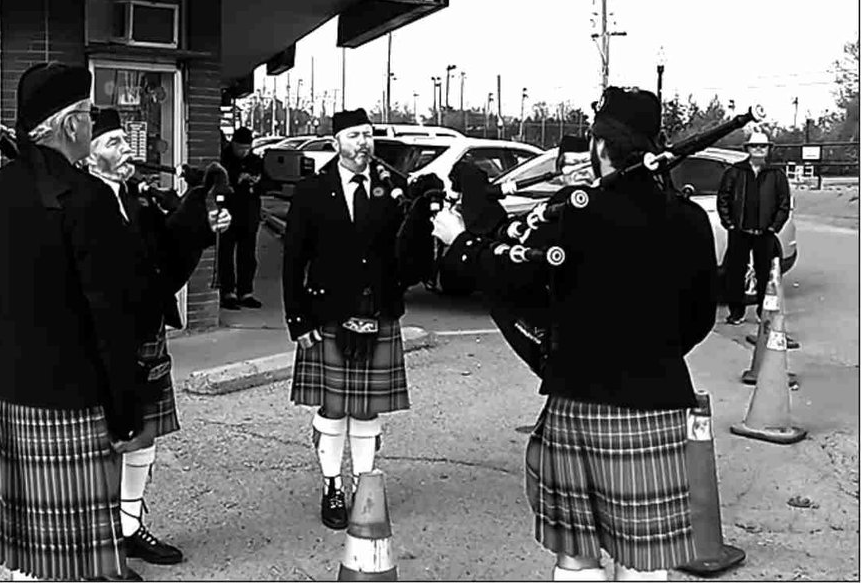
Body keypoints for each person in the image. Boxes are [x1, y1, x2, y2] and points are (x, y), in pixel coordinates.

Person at [432, 87, 718, 581]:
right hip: (659, 398)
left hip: (581, 402)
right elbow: (700, 318)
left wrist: (459, 241)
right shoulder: (690, 219)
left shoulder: (576, 213)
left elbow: (512, 278)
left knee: (578, 555)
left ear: (601, 147)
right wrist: (651, 352)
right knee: (645, 558)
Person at [0, 62, 150, 582]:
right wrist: (124, 409)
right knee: (66, 558)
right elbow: (108, 313)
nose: (93, 126)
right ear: (71, 126)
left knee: (31, 549)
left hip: (9, 382)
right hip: (71, 391)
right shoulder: (89, 197)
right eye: (89, 117)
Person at [85, 108, 231, 567]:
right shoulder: (81, 202)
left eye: (123, 140)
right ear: (86, 156)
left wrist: (204, 226)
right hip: (102, 338)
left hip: (143, 330)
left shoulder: (133, 196)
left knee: (142, 438)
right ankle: (99, 541)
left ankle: (128, 529)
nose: (125, 148)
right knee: (100, 444)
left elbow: (165, 252)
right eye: (112, 143)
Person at [282, 108, 412, 530]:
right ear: (335, 141)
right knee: (334, 406)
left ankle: (364, 486)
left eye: (368, 136)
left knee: (367, 411)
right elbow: (293, 259)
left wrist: (418, 210)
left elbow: (400, 254)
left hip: (376, 311)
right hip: (328, 312)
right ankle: (332, 485)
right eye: (355, 135)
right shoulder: (312, 191)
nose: (363, 144)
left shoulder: (389, 192)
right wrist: (298, 319)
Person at [716, 130, 792, 325]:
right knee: (735, 273)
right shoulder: (735, 171)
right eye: (754, 146)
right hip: (739, 231)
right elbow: (723, 198)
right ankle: (736, 312)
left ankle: (762, 312)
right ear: (748, 148)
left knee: (764, 273)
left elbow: (784, 203)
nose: (758, 149)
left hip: (765, 233)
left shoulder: (776, 174)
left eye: (763, 146)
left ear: (768, 149)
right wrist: (730, 224)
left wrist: (774, 227)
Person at [218, 127, 266, 310]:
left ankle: (246, 292)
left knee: (247, 255)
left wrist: (256, 182)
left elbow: (268, 183)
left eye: (247, 148)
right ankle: (227, 291)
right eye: (240, 148)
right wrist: (236, 179)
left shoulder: (256, 161)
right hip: (229, 211)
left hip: (249, 212)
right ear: (234, 145)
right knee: (226, 253)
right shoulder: (224, 159)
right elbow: (218, 182)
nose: (244, 152)